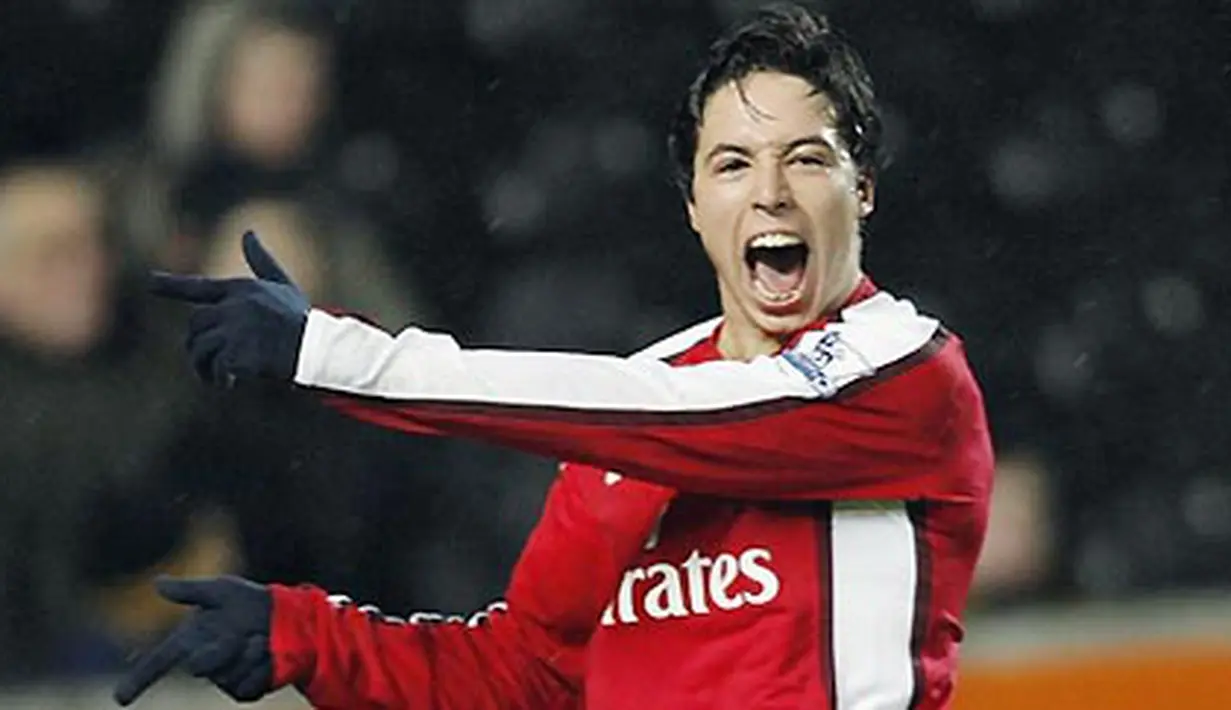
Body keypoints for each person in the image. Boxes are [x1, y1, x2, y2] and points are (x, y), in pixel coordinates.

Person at [114, 5, 993, 709]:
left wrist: (336, 353)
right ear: (693, 204)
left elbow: (692, 416)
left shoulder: (907, 379)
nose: (769, 192)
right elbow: (523, 674)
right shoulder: (625, 428)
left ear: (863, 189)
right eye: (731, 165)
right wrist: (305, 635)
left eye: (806, 159)